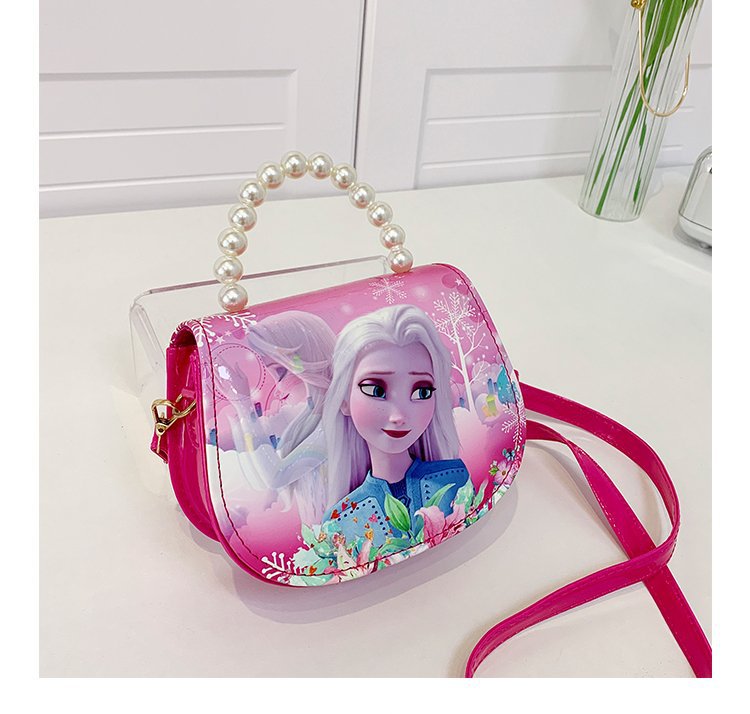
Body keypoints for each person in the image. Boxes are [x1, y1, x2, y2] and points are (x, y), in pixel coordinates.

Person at [320, 304, 469, 546]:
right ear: (344, 399)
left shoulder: (456, 479)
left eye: (421, 391)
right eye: (376, 390)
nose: (399, 416)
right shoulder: (339, 522)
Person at [214, 310, 336, 524]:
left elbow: (274, 476)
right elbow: (260, 477)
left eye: (280, 371)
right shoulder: (308, 419)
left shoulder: (333, 422)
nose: (279, 388)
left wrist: (243, 405)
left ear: (306, 361)